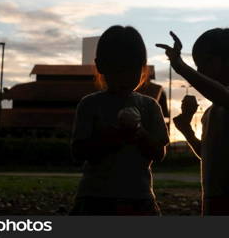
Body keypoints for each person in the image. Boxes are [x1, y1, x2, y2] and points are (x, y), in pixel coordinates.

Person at [156, 28, 229, 215]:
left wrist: (180, 67)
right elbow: (207, 154)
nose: (200, 70)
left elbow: (223, 95)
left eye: (205, 62)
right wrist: (186, 130)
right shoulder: (212, 111)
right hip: (218, 196)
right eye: (197, 65)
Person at [70, 25, 169, 215]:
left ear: (142, 68)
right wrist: (108, 138)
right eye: (117, 70)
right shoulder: (90, 105)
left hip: (139, 196)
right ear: (100, 66)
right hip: (95, 197)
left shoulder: (150, 106)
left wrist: (140, 135)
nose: (124, 77)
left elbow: (159, 153)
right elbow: (78, 151)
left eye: (131, 70)